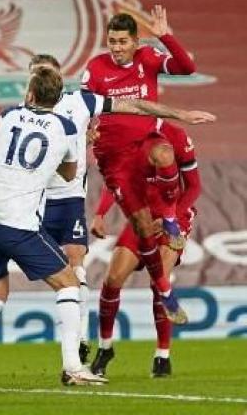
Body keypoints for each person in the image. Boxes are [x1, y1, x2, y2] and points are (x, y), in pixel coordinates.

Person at [0, 54, 214, 362]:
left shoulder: (78, 103)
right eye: (36, 74)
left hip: (68, 202)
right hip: (34, 202)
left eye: (44, 74)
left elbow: (136, 105)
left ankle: (80, 341)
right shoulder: (22, 114)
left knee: (74, 269)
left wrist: (179, 114)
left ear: (55, 80)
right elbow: (1, 145)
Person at [0, 65, 107, 387]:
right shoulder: (66, 128)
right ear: (58, 97)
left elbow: (2, 146)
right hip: (18, 223)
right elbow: (68, 174)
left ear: (30, 93)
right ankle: (73, 367)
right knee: (67, 283)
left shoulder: (7, 115)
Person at [82, 6, 196, 324]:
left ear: (135, 41)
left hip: (144, 143)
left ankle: (171, 220)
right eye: (111, 41)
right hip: (114, 160)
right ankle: (164, 291)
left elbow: (187, 67)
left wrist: (166, 36)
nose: (116, 48)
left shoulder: (148, 58)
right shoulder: (95, 69)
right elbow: (81, 106)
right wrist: (86, 129)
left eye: (122, 41)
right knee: (144, 230)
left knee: (164, 153)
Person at [89, 121, 201, 378]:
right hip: (141, 217)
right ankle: (105, 348)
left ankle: (162, 356)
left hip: (175, 217)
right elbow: (114, 180)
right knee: (113, 278)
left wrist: (172, 216)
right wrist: (100, 214)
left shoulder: (176, 135)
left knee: (157, 280)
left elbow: (194, 186)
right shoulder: (124, 136)